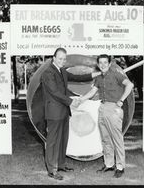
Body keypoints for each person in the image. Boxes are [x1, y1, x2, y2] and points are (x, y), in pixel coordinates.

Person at [40, 48, 101, 180]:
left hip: (64, 111)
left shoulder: (62, 70)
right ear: (54, 58)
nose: (62, 61)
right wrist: (71, 102)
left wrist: (98, 74)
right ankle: (52, 170)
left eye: (64, 59)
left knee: (63, 139)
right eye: (60, 58)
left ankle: (61, 165)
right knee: (52, 142)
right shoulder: (48, 73)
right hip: (54, 112)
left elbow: (78, 78)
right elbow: (55, 92)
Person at [79, 54, 134, 178]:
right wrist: (81, 99)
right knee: (105, 139)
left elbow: (130, 85)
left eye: (105, 62)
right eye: (101, 63)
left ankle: (120, 167)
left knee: (117, 139)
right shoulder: (98, 78)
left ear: (109, 64)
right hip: (102, 108)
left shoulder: (116, 74)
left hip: (114, 109)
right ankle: (109, 164)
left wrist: (121, 100)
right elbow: (92, 92)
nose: (103, 65)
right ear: (98, 65)